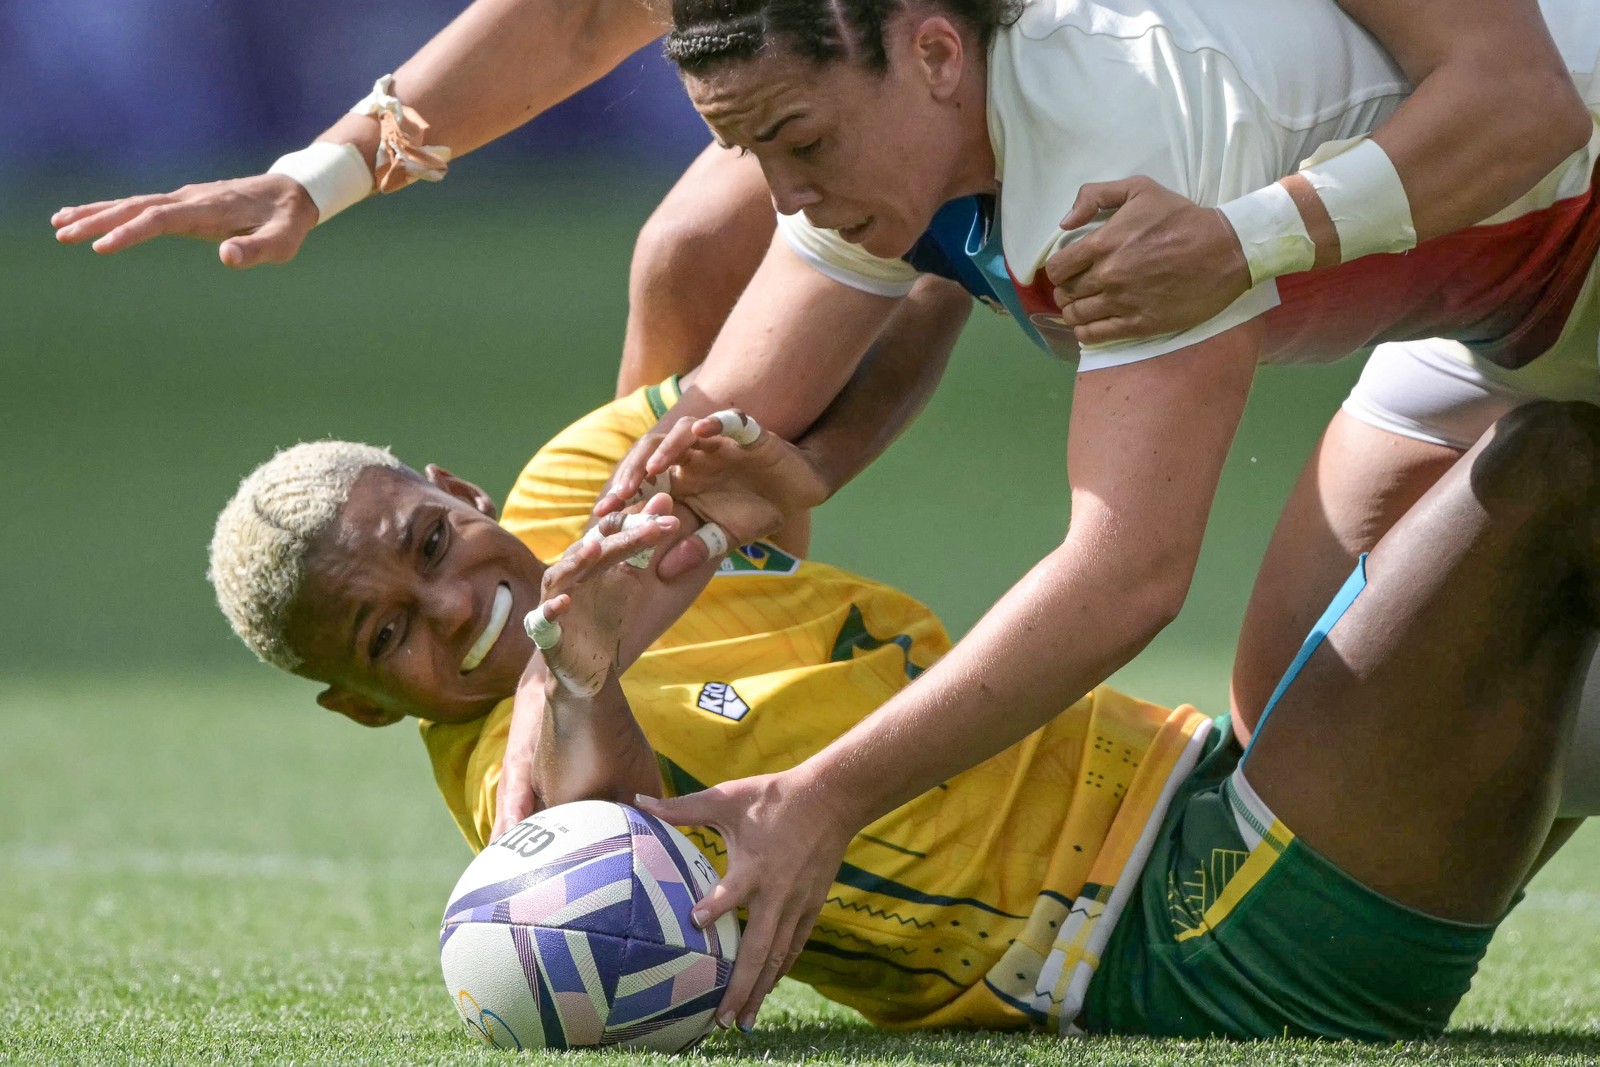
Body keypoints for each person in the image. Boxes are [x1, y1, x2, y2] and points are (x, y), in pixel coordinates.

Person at [583, 0, 1600, 1030]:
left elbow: (1127, 575)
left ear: (936, 53)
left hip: (1574, 227)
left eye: (802, 140)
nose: (787, 193)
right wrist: (556, 673)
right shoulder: (912, 150)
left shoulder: (1109, 115)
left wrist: (826, 797)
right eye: (751, 152)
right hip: (1511, 319)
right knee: (1296, 733)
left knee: (1485, 678)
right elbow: (707, 431)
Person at [210, 384, 1600, 1039]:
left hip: (1216, 780)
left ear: (459, 488)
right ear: (360, 705)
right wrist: (573, 675)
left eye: (428, 543)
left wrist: (787, 449)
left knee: (1446, 382)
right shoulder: (502, 791)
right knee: (1547, 465)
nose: (451, 607)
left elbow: (872, 277)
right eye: (390, 631)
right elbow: (595, 852)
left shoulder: (584, 476)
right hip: (1183, 955)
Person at [45, 0, 1588, 351]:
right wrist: (324, 174)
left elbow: (1522, 96)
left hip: (1546, 194)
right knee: (695, 259)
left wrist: (1250, 237)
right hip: (1462, 279)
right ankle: (680, 645)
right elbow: (596, 8)